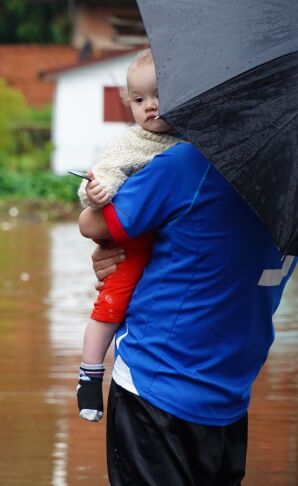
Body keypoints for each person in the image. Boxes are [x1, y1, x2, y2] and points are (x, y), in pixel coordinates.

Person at [79, 109, 297, 484]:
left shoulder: (189, 165)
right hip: (231, 388)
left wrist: (116, 252)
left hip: (157, 383)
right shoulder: (289, 183)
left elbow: (96, 224)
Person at [76, 48, 179, 422]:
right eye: (139, 100)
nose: (150, 106)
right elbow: (100, 184)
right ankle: (90, 374)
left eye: (159, 95)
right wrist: (96, 193)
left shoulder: (194, 141)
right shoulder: (131, 143)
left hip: (166, 240)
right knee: (113, 300)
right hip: (134, 237)